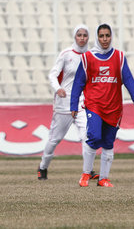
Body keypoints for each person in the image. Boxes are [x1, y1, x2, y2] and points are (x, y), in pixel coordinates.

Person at [70, 23, 134, 188]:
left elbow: (128, 79)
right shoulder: (88, 58)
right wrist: (73, 105)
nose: (104, 39)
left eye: (107, 36)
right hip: (94, 106)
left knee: (108, 142)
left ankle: (103, 178)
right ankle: (86, 173)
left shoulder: (119, 57)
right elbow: (78, 83)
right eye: (101, 36)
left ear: (111, 37)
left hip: (114, 108)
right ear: (97, 37)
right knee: (94, 136)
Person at [37, 24, 97, 180]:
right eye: (79, 35)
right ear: (74, 37)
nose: (82, 38)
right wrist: (58, 88)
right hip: (64, 103)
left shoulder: (91, 56)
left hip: (82, 103)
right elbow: (52, 75)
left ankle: (88, 170)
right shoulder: (66, 54)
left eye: (85, 35)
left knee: (86, 137)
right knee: (54, 139)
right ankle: (43, 167)